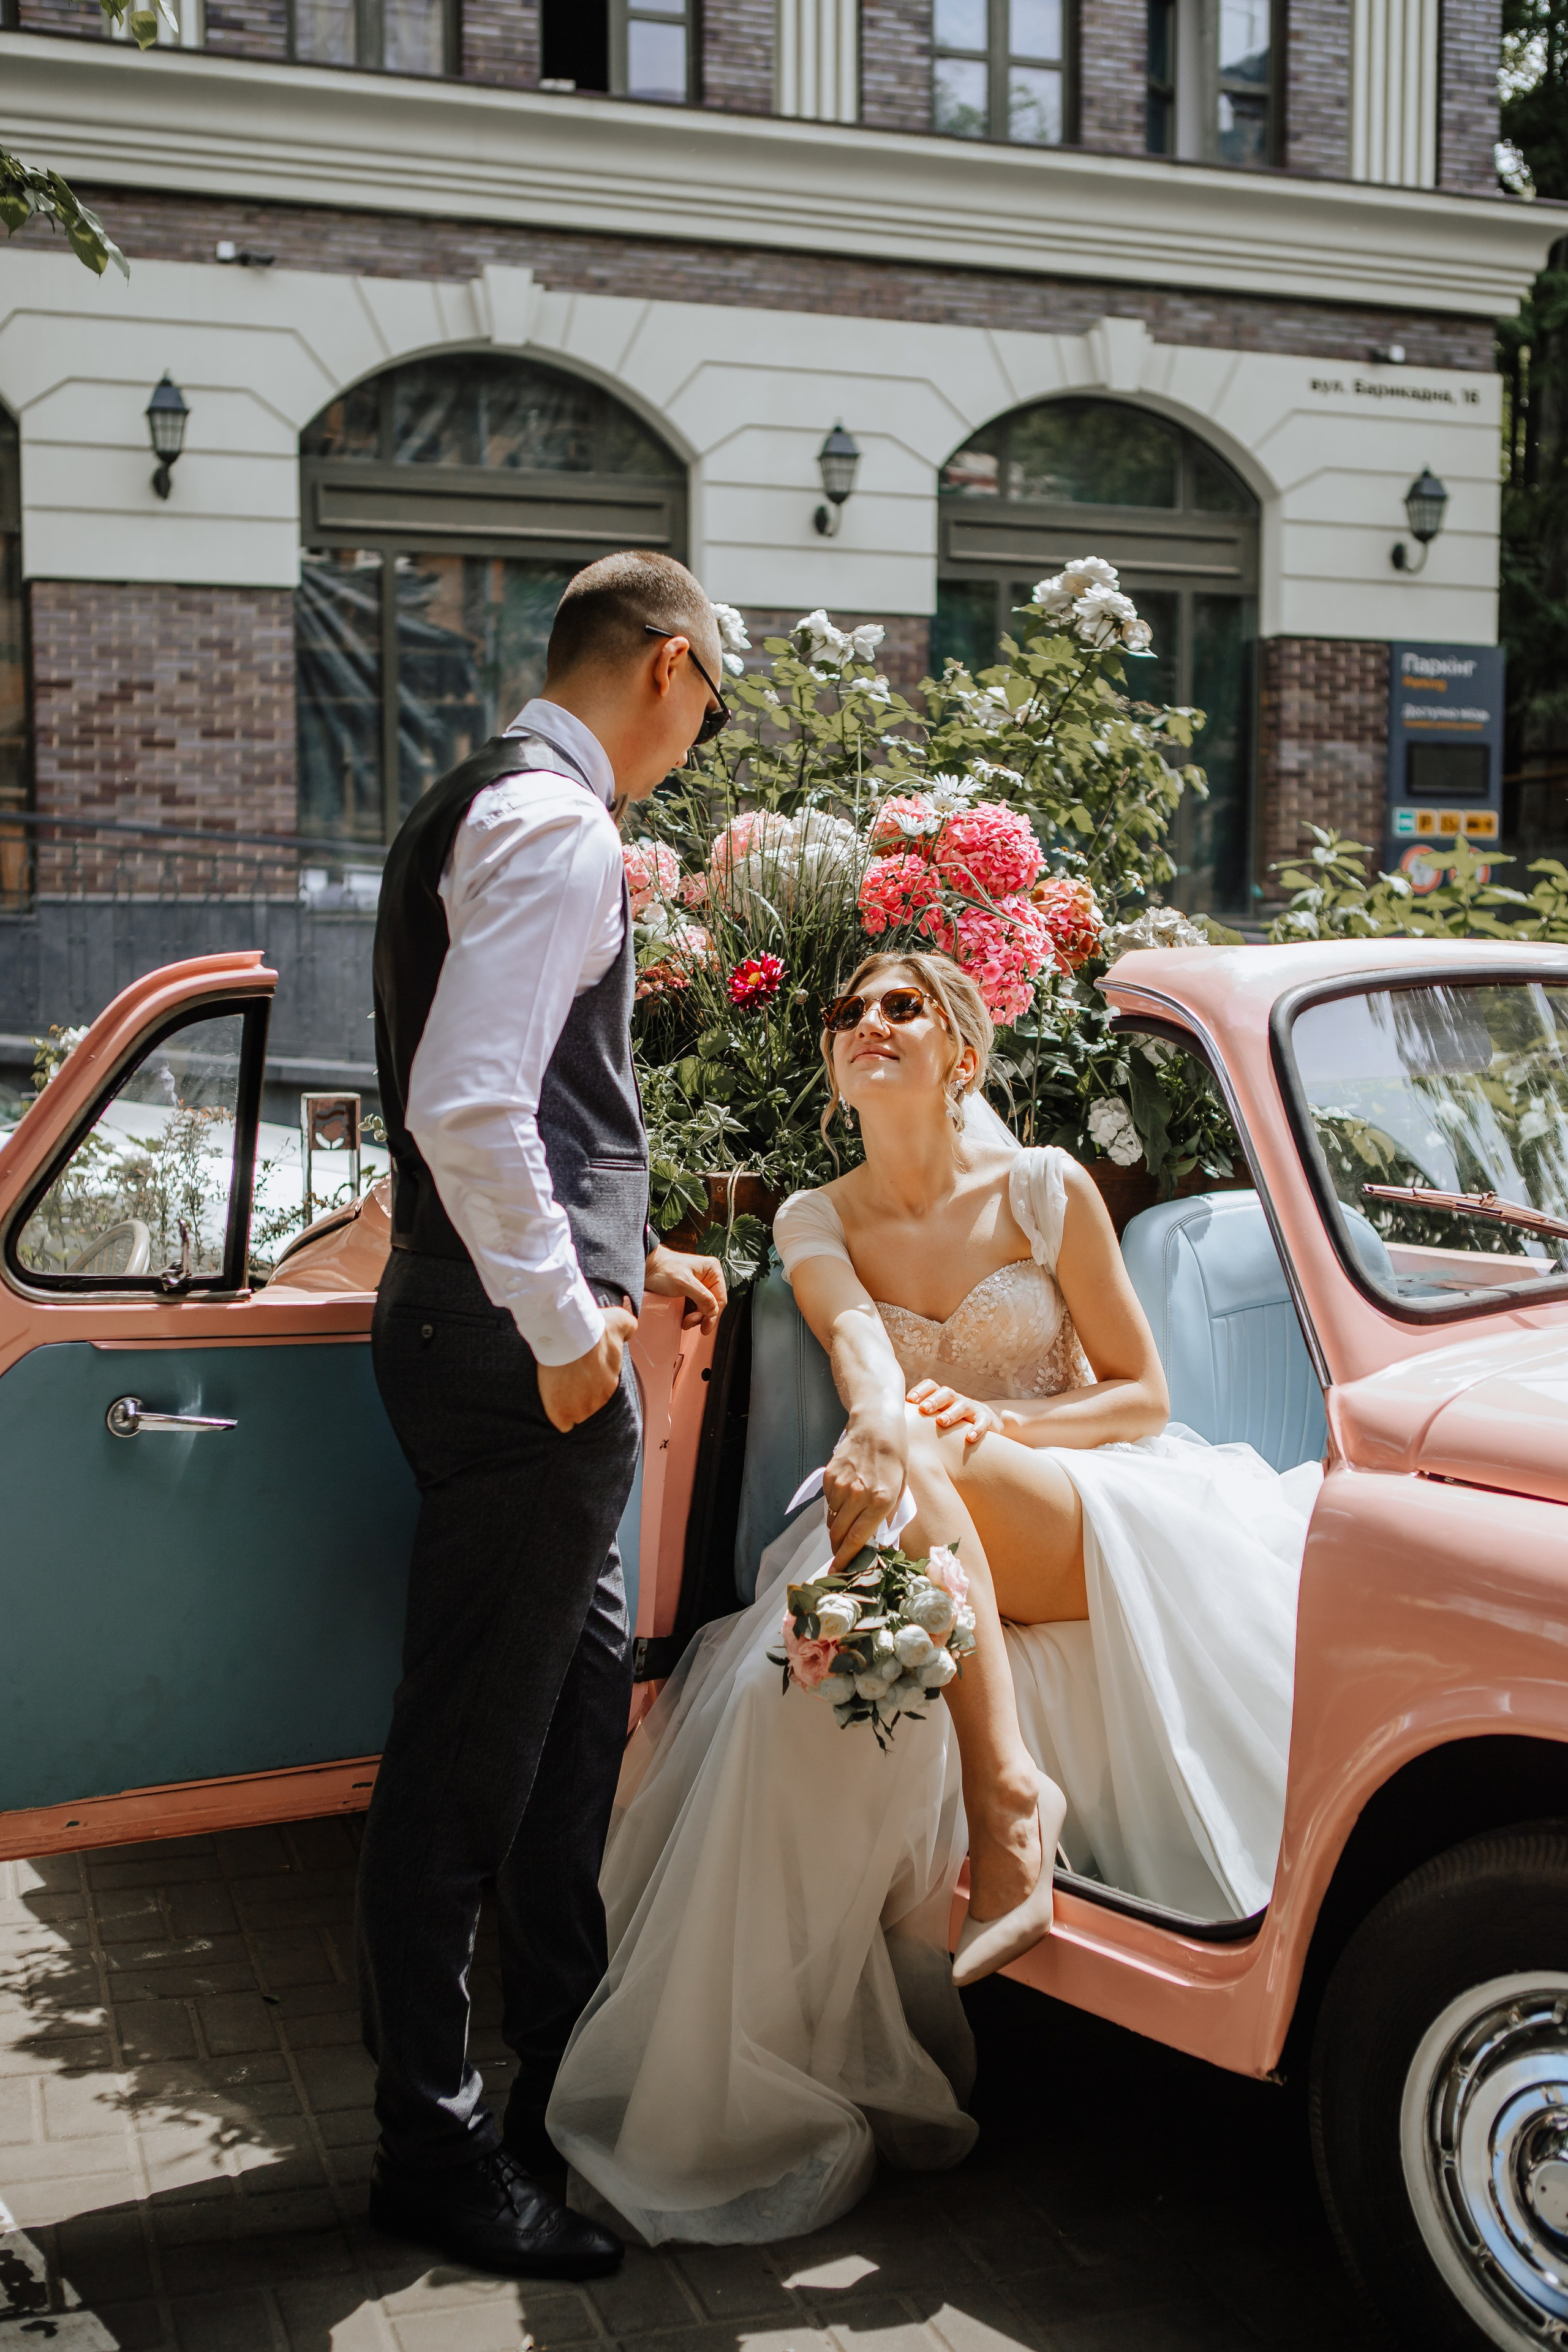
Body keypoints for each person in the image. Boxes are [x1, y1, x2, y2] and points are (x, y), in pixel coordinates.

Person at [546, 947, 1322, 2246]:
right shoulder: (813, 1216)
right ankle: (823, 2043)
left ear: (960, 1051)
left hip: (1084, 1499)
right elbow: (860, 1351)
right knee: (796, 1679)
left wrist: (994, 1427)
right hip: (920, 1487)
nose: (868, 1021)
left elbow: (1140, 1396)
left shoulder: (1045, 1187)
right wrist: (891, 1423)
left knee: (912, 1468)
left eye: (900, 1005)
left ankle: (1010, 1798)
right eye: (847, 1010)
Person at [357, 551, 729, 2280]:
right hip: (520, 1365)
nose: (703, 737)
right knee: (466, 1768)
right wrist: (572, 1328)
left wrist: (625, 1255)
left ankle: (557, 2106)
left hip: (503, 1331)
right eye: (712, 701)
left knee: (575, 1735)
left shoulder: (477, 800)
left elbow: (526, 1096)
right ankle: (432, 2155)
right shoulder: (558, 824)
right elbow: (468, 1101)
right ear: (668, 665)